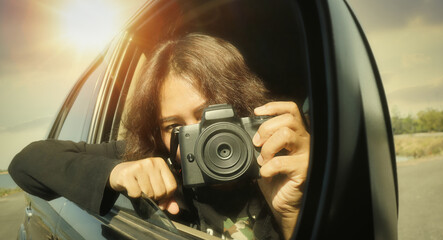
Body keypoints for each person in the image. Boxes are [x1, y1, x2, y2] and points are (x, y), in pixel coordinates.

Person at [9, 33, 309, 240]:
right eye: (174, 127)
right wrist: (115, 172)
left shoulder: (278, 162)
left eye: (209, 115)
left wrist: (294, 210)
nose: (200, 138)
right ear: (157, 134)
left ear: (244, 111)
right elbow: (25, 163)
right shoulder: (157, 161)